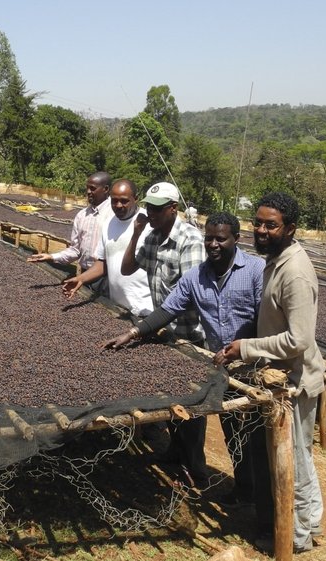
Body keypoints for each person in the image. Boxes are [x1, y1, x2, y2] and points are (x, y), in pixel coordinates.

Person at [104, 212, 268, 519]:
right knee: (229, 428)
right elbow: (167, 310)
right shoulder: (197, 276)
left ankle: (254, 495)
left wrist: (243, 346)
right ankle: (236, 487)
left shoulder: (256, 270)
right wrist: (132, 333)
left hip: (254, 365)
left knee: (250, 434)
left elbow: (265, 318)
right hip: (219, 364)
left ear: (236, 239)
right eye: (209, 238)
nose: (214, 244)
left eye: (222, 238)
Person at [216, 192, 325, 554]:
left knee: (292, 460)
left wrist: (245, 348)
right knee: (301, 456)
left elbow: (298, 339)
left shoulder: (294, 273)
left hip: (294, 382)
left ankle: (294, 536)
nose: (261, 230)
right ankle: (309, 526)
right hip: (284, 376)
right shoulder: (276, 260)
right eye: (258, 223)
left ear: (290, 228)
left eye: (271, 225)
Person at [120, 181, 207, 483]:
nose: (151, 213)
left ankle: (195, 468)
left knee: (192, 407)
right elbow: (127, 268)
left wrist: (143, 328)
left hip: (189, 334)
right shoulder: (153, 236)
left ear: (173, 208)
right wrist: (136, 232)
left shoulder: (190, 239)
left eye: (157, 209)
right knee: (172, 397)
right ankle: (175, 452)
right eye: (148, 208)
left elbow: (191, 294)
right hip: (164, 331)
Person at [62, 179, 153, 317]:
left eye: (124, 201)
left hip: (145, 308)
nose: (118, 205)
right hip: (117, 307)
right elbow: (103, 262)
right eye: (114, 201)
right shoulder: (110, 223)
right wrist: (81, 278)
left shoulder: (149, 222)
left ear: (136, 199)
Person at [27, 172, 113, 292]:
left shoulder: (114, 215)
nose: (88, 192)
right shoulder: (82, 216)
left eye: (92, 188)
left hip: (108, 278)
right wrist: (51, 257)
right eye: (87, 188)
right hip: (84, 273)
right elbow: (75, 250)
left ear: (106, 189)